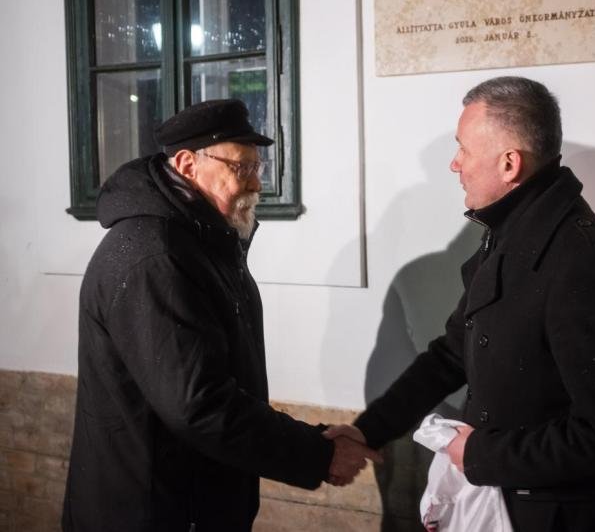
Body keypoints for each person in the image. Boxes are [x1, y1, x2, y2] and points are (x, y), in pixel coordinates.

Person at [325, 77, 595, 531]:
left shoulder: (582, 259)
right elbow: (451, 355)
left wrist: (479, 454)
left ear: (509, 164)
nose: (454, 164)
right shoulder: (512, 231)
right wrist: (369, 430)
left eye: (463, 149)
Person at [62, 99, 380, 532]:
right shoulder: (156, 256)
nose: (256, 184)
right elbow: (199, 404)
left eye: (257, 168)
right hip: (151, 513)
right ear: (188, 165)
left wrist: (312, 443)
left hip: (189, 503)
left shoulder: (200, 243)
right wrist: (317, 454)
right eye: (241, 168)